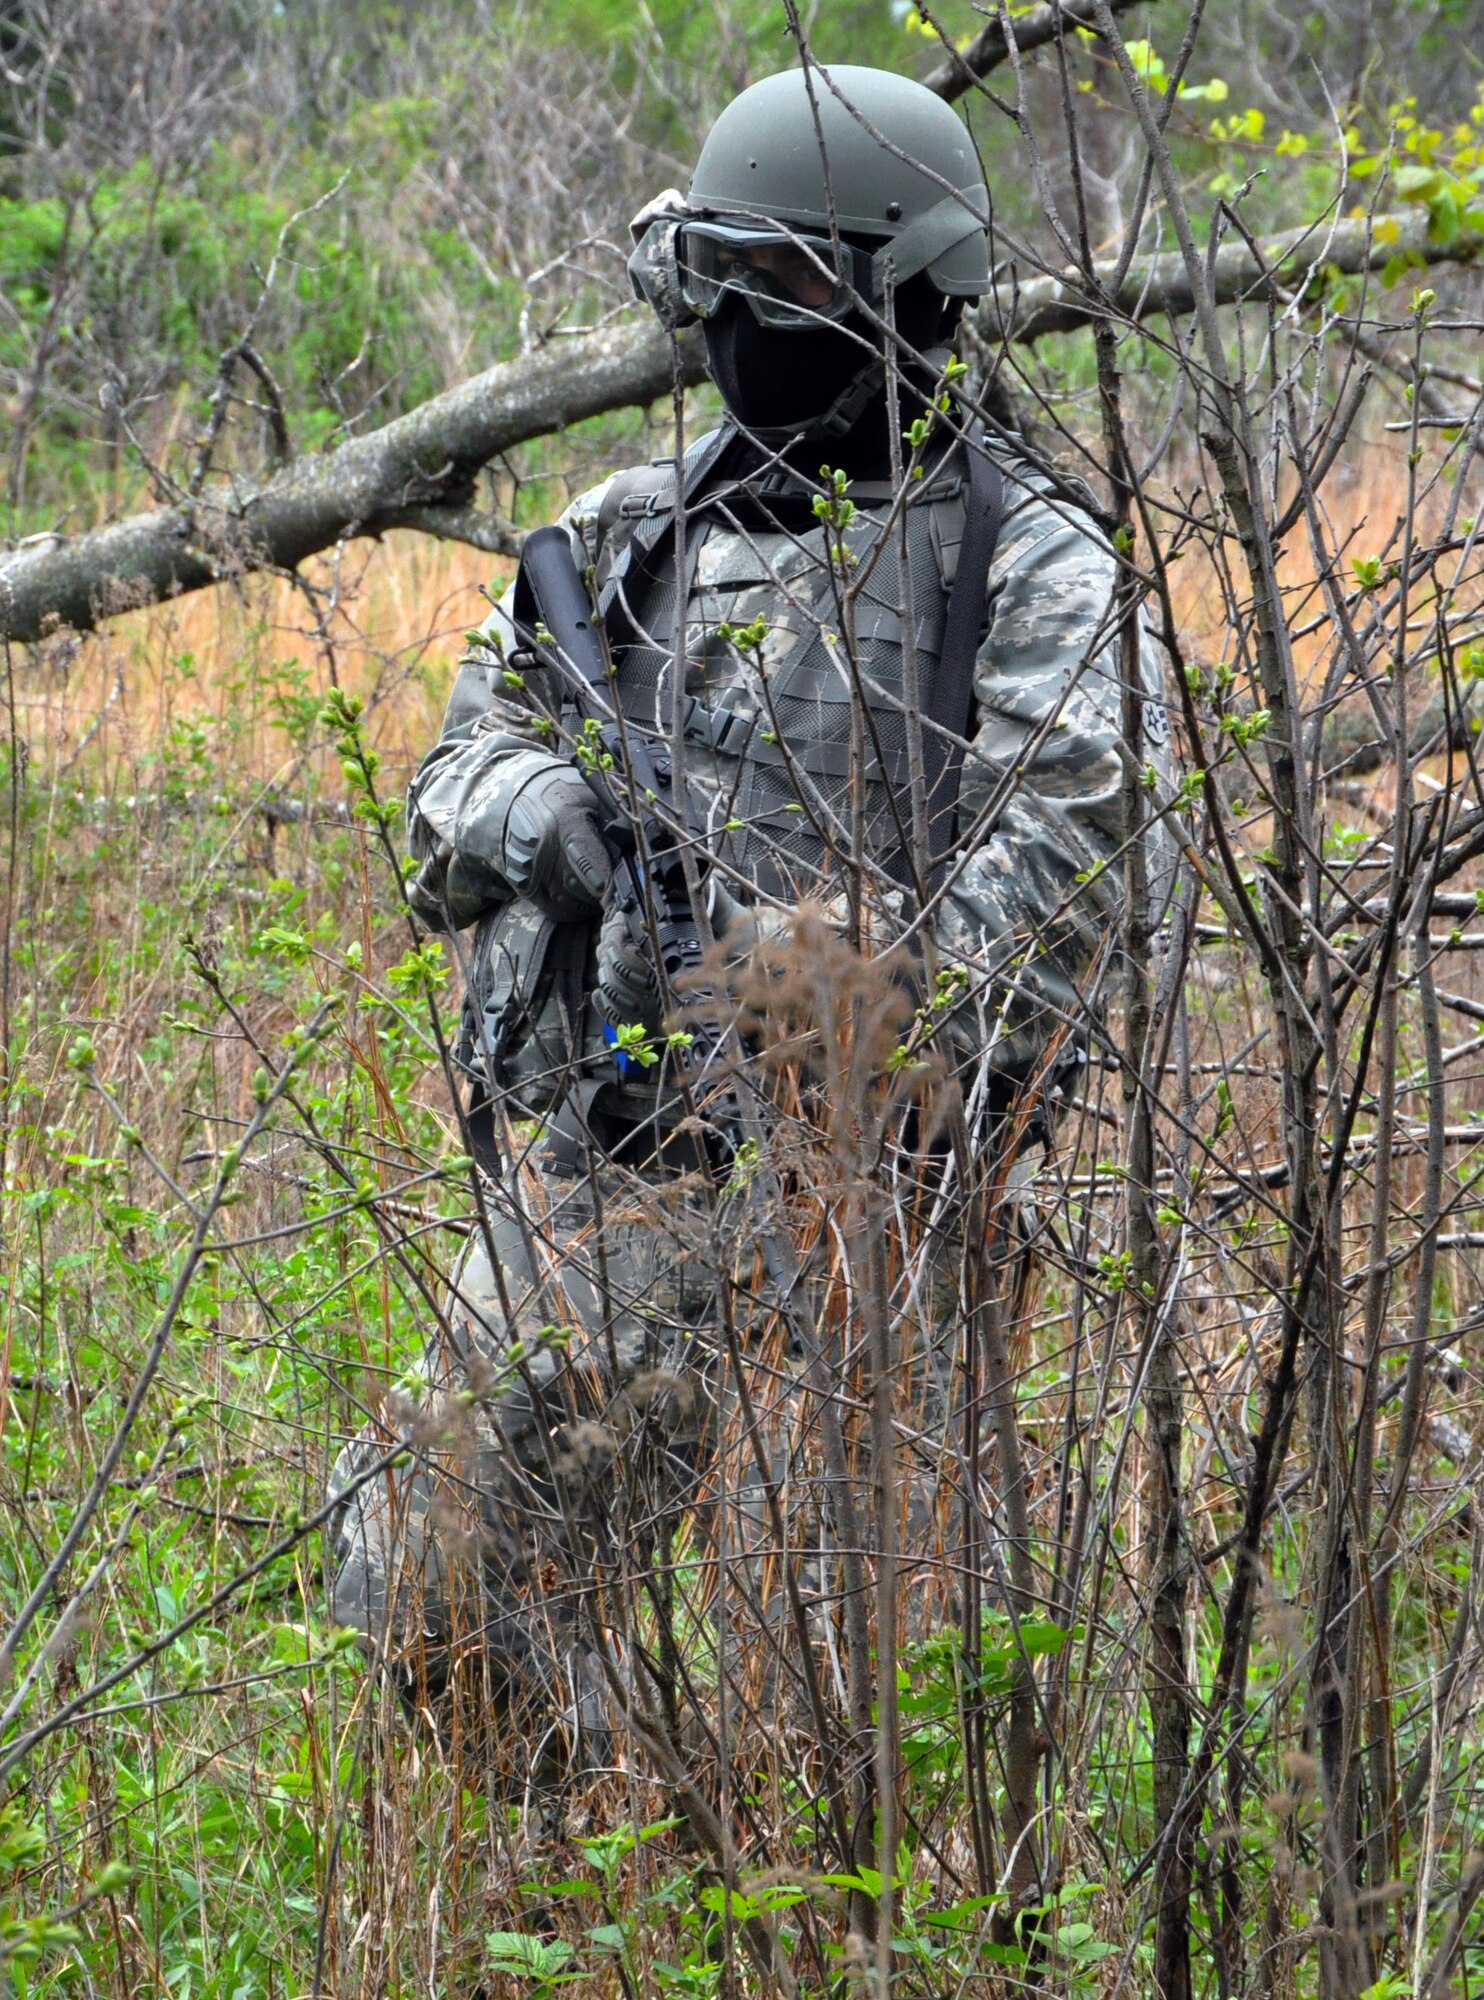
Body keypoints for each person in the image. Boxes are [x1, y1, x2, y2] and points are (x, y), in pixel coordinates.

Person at [326, 61, 1173, 1788]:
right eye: (712, 274)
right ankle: (614, 1869)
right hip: (610, 1188)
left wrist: (814, 975)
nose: (730, 322)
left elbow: (1061, 883)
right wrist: (545, 818)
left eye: (778, 285)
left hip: (881, 1215)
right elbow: (447, 793)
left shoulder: (1036, 571)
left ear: (907, 298)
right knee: (418, 1585)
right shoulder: (622, 542)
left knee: (893, 1726)